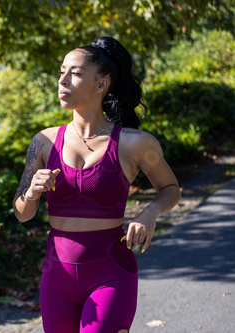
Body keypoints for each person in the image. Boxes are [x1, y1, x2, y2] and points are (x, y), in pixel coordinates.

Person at [12, 36, 181, 333]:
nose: (62, 80)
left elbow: (171, 189)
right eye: (61, 72)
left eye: (75, 73)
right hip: (57, 276)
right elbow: (22, 213)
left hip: (111, 274)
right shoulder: (43, 142)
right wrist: (31, 191)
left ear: (101, 84)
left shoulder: (134, 143)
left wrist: (150, 212)